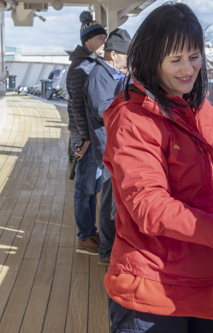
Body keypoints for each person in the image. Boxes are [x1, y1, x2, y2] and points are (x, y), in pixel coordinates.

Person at [102, 3, 213, 333]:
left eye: (194, 56)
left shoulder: (196, 111)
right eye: (176, 60)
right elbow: (150, 206)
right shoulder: (134, 119)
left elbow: (204, 192)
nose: (189, 69)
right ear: (151, 60)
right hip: (152, 291)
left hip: (202, 286)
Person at [83, 28, 131, 265]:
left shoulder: (111, 72)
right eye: (126, 55)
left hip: (116, 146)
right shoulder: (98, 76)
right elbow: (104, 111)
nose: (128, 59)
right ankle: (106, 250)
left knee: (113, 198)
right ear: (113, 54)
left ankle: (109, 247)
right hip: (109, 148)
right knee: (109, 199)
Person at [67, 11, 106, 255]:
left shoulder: (89, 63)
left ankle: (90, 233)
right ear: (88, 41)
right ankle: (84, 238)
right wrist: (84, 137)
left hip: (90, 134)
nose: (103, 42)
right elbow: (78, 106)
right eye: (100, 38)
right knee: (85, 188)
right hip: (86, 135)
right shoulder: (80, 67)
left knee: (92, 186)